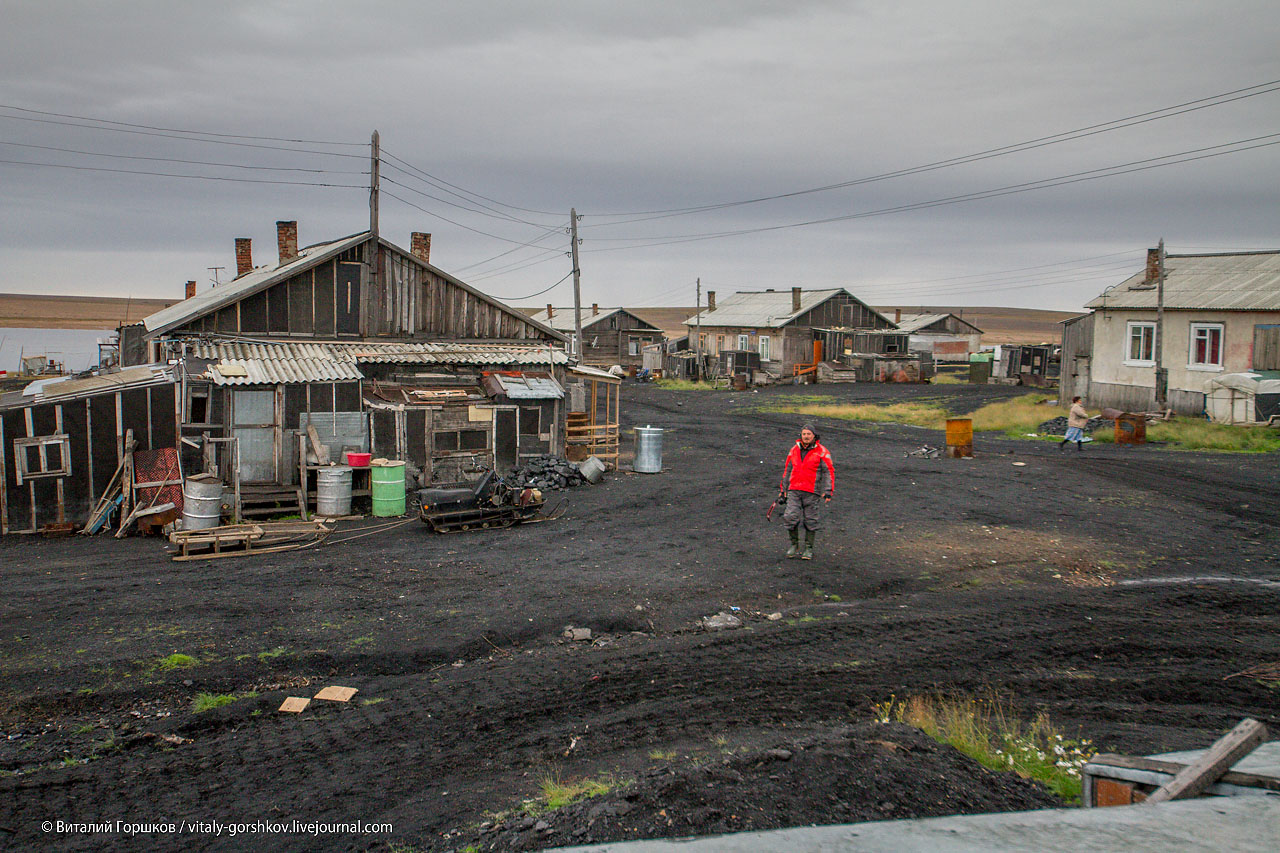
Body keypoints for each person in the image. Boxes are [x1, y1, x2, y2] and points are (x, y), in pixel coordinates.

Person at [778, 423, 835, 560]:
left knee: (811, 520)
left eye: (809, 434)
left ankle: (808, 548)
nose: (806, 436)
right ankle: (794, 545)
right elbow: (787, 470)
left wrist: (828, 491)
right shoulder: (793, 450)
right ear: (801, 436)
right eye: (804, 434)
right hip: (794, 490)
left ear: (814, 435)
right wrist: (783, 490)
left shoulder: (822, 451)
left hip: (812, 492)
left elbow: (828, 471)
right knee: (790, 516)